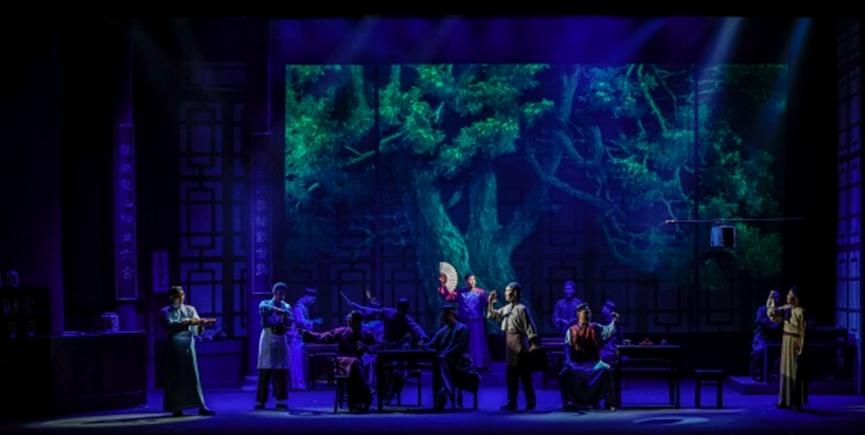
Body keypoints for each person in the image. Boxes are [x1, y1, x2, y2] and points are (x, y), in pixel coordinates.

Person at [340, 293, 428, 402]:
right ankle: (379, 392)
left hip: (396, 349)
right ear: (398, 308)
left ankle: (390, 391)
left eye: (405, 310)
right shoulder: (388, 312)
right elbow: (372, 312)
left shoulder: (406, 319)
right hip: (384, 347)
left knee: (398, 372)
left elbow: (416, 330)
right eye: (401, 309)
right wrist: (356, 306)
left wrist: (422, 339)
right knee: (377, 366)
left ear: (407, 310)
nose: (403, 312)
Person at [301, 311, 378, 412]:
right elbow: (324, 336)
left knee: (356, 366)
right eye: (349, 320)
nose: (349, 322)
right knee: (354, 364)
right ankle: (363, 397)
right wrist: (307, 334)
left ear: (359, 322)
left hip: (358, 363)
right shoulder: (343, 331)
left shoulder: (365, 334)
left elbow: (375, 346)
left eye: (352, 321)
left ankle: (358, 401)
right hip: (343, 363)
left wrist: (366, 347)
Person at [160, 286, 216, 417]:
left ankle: (201, 406)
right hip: (174, 345)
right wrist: (186, 322)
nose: (181, 298)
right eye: (177, 296)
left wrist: (200, 324)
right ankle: (177, 407)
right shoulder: (165, 311)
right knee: (176, 376)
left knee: (193, 375)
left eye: (182, 295)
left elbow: (196, 327)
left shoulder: (190, 309)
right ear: (171, 297)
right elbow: (170, 325)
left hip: (188, 345)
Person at [487, 282, 540, 411]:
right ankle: (512, 402)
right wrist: (490, 303)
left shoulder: (522, 309)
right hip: (509, 344)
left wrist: (533, 343)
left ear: (515, 293)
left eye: (508, 291)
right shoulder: (507, 308)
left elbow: (530, 326)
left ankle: (531, 402)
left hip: (519, 344)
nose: (505, 293)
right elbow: (493, 315)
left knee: (525, 375)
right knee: (511, 376)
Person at [558, 303, 619, 411]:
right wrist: (568, 362)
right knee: (564, 374)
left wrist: (614, 321)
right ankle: (567, 402)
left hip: (594, 363)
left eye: (589, 313)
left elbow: (608, 331)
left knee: (607, 370)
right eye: (585, 313)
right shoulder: (571, 330)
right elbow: (567, 348)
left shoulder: (595, 328)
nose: (588, 315)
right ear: (578, 314)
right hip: (577, 363)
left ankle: (609, 401)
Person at [426, 304, 481, 410]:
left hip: (460, 362)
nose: (443, 318)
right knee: (441, 362)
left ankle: (444, 391)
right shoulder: (443, 330)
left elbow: (459, 347)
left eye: (445, 315)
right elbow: (433, 343)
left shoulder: (462, 328)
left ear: (451, 314)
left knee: (441, 362)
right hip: (446, 361)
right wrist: (423, 345)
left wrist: (445, 354)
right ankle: (444, 390)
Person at [767, 287, 807, 410]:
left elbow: (803, 332)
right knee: (785, 369)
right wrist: (771, 299)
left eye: (790, 294)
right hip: (786, 340)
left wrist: (801, 349)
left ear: (796, 297)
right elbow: (772, 315)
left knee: (795, 371)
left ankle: (795, 401)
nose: (788, 296)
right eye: (788, 294)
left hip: (795, 342)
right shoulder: (786, 309)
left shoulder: (801, 312)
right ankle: (784, 399)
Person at [255, 282, 293, 410]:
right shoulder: (265, 303)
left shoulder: (286, 306)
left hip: (280, 336)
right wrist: (277, 310)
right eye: (280, 292)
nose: (282, 295)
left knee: (280, 369)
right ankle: (261, 401)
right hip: (268, 336)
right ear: (275, 292)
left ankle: (280, 400)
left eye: (284, 293)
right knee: (264, 368)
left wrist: (287, 320)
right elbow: (263, 308)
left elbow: (290, 321)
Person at [288, 288, 323, 390]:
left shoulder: (303, 307)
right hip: (295, 338)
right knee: (297, 363)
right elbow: (300, 322)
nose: (313, 302)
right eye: (312, 299)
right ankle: (297, 385)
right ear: (306, 297)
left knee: (299, 363)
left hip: (299, 338)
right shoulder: (298, 308)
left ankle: (298, 384)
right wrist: (314, 322)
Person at [457, 273, 490, 371]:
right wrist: (443, 284)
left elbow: (487, 303)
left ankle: (479, 364)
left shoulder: (480, 292)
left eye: (474, 279)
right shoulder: (461, 292)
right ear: (466, 281)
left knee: (477, 343)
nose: (472, 281)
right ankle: (465, 364)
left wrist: (491, 300)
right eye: (470, 279)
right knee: (465, 343)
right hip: (464, 322)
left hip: (477, 322)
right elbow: (448, 297)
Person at [751, 290, 782, 382]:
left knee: (776, 353)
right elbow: (759, 321)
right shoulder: (762, 309)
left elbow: (780, 323)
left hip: (774, 339)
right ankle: (760, 373)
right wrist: (771, 324)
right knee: (761, 352)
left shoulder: (778, 311)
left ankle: (770, 374)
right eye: (774, 298)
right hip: (761, 337)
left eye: (777, 298)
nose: (776, 300)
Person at [598, 300, 623, 366]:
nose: (602, 310)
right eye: (602, 308)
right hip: (605, 348)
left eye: (604, 308)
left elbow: (619, 337)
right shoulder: (603, 322)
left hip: (611, 349)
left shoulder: (615, 322)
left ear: (609, 311)